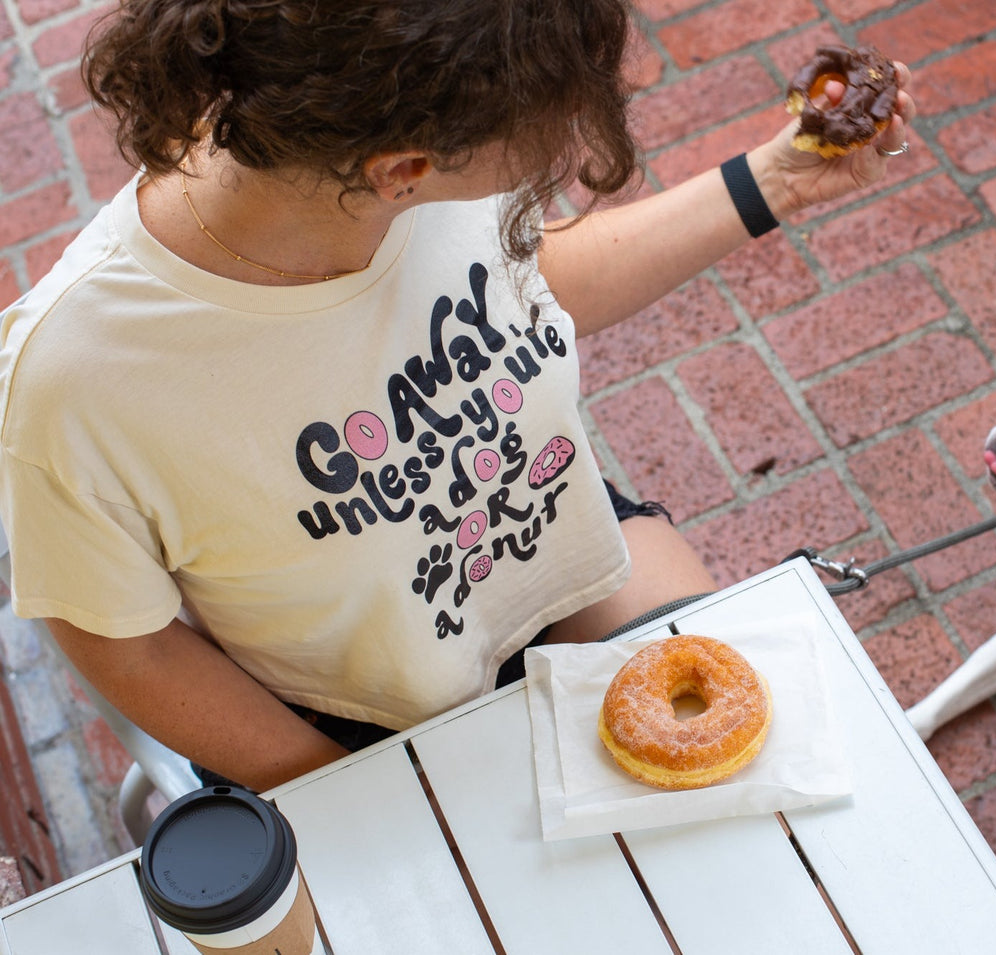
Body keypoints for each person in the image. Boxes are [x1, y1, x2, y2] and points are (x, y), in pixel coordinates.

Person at [0, 0, 915, 793]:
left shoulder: (346, 139)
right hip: (358, 706)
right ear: (403, 172)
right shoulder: (75, 376)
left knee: (747, 782)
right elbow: (123, 640)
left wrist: (776, 182)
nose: (556, 151)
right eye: (541, 139)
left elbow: (533, 279)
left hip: (557, 545)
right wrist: (346, 787)